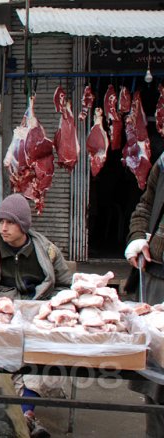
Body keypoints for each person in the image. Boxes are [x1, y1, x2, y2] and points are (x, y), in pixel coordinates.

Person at [0, 193, 73, 438]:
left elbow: (66, 285)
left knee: (43, 359)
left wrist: (46, 306)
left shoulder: (46, 250)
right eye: (0, 221)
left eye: (10, 222)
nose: (3, 227)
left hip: (37, 315)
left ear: (23, 225)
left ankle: (26, 415)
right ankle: (8, 417)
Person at [124, 155, 164, 438]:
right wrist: (138, 237)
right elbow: (145, 206)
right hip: (156, 278)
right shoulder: (163, 163)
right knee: (155, 382)